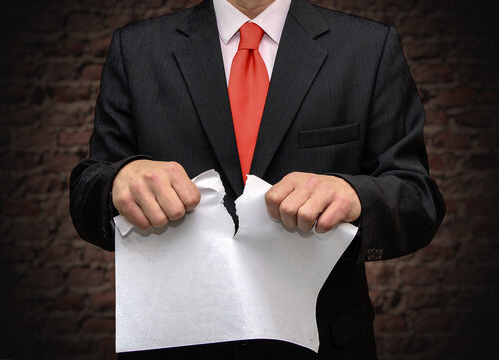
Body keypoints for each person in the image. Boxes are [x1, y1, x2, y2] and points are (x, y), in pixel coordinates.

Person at [69, 0, 445, 358]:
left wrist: (355, 196)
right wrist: (118, 180)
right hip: (173, 345)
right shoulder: (136, 49)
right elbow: (89, 189)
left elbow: (417, 199)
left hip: (322, 346)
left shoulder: (369, 47)